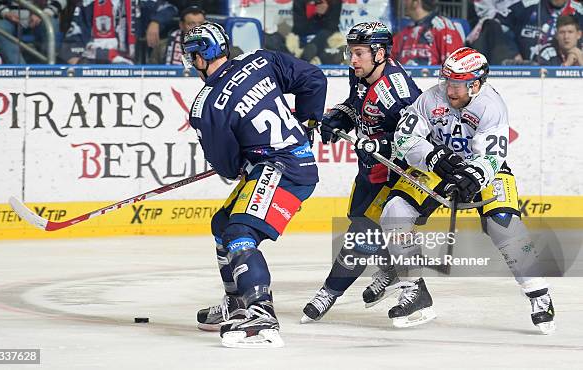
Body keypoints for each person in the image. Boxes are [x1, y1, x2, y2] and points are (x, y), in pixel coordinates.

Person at [365, 47, 556, 333]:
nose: (450, 89)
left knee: (503, 224)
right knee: (394, 212)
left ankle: (538, 293)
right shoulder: (431, 98)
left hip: (482, 169)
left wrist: (474, 175)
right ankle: (414, 290)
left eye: (458, 83)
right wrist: (431, 156)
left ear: (476, 84)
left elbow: (492, 156)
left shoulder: (492, 106)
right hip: (438, 165)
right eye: (448, 81)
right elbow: (404, 137)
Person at [182, 22, 327, 348]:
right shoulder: (261, 61)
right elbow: (313, 80)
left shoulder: (207, 105)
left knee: (239, 233)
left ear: (201, 58)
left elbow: (228, 167)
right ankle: (235, 302)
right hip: (292, 162)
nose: (193, 65)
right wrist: (307, 123)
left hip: (282, 170)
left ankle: (261, 313)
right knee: (222, 224)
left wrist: (243, 160)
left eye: (193, 57)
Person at [300, 22, 423, 325]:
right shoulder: (361, 73)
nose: (352, 60)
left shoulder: (398, 92)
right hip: (368, 170)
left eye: (359, 53)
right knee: (361, 225)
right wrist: (338, 117)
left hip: (394, 175)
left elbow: (416, 139)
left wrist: (381, 143)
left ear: (379, 53)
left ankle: (329, 292)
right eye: (351, 53)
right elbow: (356, 106)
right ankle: (390, 270)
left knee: (360, 236)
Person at [60, 0, 177, 64]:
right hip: (95, 66)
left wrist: (156, 22)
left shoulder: (139, 2)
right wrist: (80, 65)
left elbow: (170, 8)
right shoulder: (87, 4)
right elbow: (73, 43)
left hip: (132, 69)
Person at [496, 0, 583, 63]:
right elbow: (499, 25)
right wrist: (512, 53)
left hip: (567, 67)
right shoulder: (528, 5)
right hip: (524, 70)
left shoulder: (579, 11)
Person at [0, 0, 65, 64]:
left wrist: (44, 14)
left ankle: (47, 69)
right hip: (11, 17)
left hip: (43, 16)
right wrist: (5, 13)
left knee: (51, 25)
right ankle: (20, 70)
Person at [392, 0, 464, 65]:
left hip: (433, 79)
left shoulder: (442, 27)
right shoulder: (405, 32)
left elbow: (455, 65)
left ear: (416, 2)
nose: (404, 2)